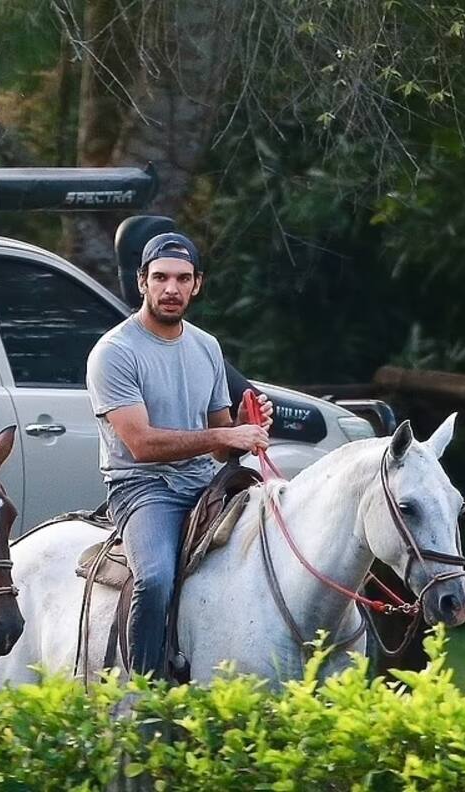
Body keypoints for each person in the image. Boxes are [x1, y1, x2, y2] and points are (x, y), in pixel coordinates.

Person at [86, 231, 274, 677]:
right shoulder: (114, 353)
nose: (172, 289)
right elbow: (142, 445)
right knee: (153, 579)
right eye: (161, 277)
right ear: (142, 283)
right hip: (142, 488)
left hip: (203, 484)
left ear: (197, 284)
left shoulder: (206, 346)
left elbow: (220, 433)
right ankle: (144, 690)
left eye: (182, 278)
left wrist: (251, 425)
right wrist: (225, 439)